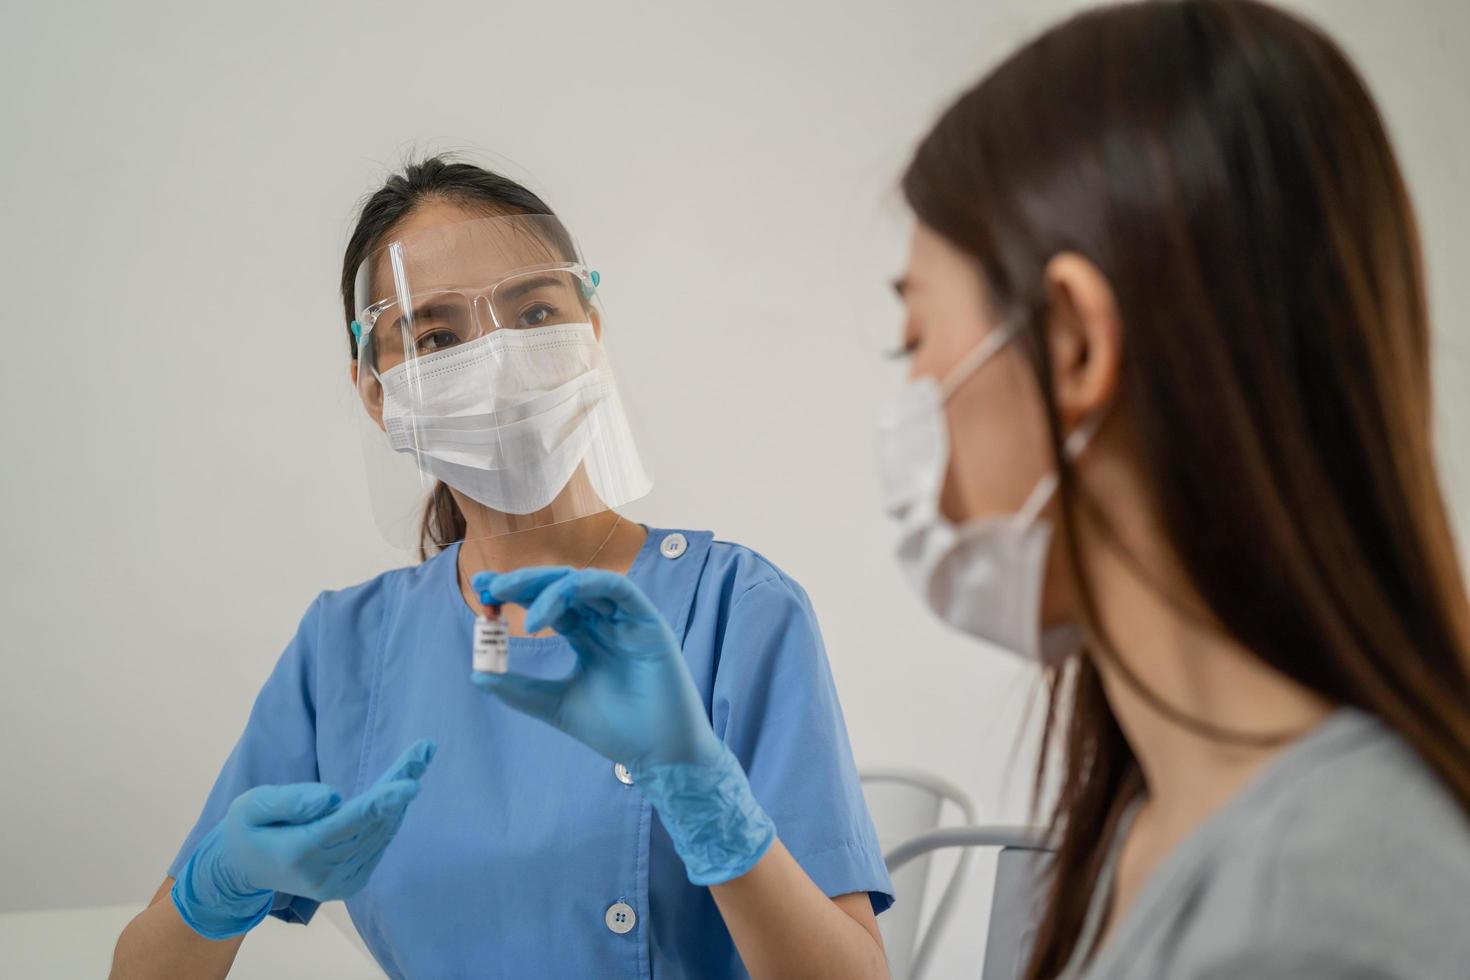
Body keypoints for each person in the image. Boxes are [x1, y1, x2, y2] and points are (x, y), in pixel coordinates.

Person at [110, 158, 892, 980]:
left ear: (589, 331)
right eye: (437, 336)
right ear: (377, 392)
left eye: (533, 312)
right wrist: (215, 888)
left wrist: (702, 793)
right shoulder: (344, 649)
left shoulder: (737, 610)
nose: (496, 362)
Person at [874, 0, 1470, 977]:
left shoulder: (1320, 901)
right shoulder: (1166, 813)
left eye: (915, 340)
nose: (908, 406)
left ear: (1073, 344)